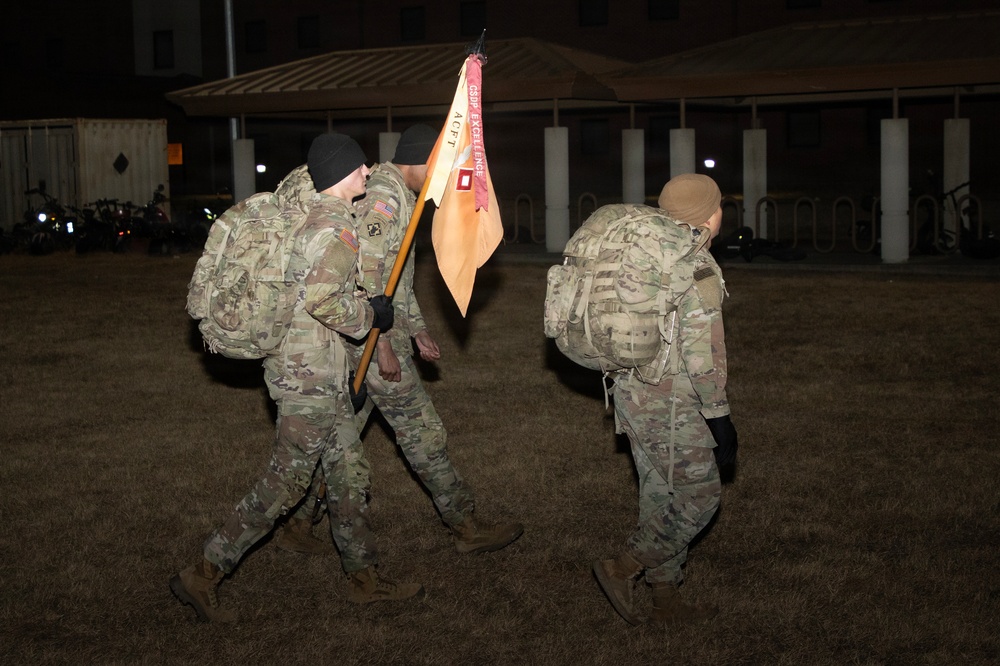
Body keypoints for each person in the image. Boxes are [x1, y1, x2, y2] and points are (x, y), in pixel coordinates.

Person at [170, 133, 423, 624]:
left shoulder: (313, 214)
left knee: (349, 474)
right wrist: (371, 316)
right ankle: (204, 570)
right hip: (308, 375)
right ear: (343, 175)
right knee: (285, 484)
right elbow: (323, 300)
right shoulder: (334, 228)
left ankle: (364, 579)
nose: (368, 172)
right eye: (360, 167)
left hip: (310, 365)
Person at [272, 124, 524, 557]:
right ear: (418, 162)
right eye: (436, 168)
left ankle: (298, 523)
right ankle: (465, 524)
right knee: (422, 430)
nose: (440, 178)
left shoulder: (400, 194)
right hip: (367, 340)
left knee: (342, 432)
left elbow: (396, 279)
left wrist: (417, 327)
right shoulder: (386, 199)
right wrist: (382, 344)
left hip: (369, 335)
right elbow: (364, 274)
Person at [592, 173, 739, 627]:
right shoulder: (694, 266)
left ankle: (665, 598)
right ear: (709, 215)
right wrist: (719, 415)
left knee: (659, 492)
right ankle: (623, 566)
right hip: (670, 402)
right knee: (700, 495)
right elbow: (701, 353)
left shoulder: (646, 252)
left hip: (630, 391)